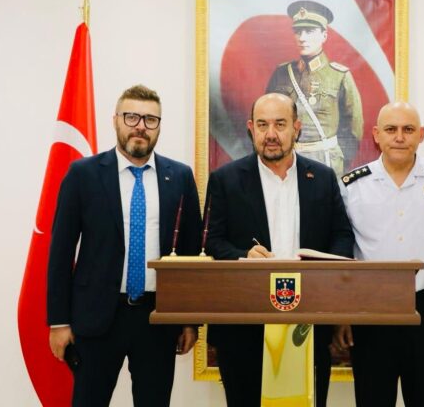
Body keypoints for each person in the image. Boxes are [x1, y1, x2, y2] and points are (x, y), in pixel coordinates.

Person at [47, 85, 202, 406]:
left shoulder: (180, 177)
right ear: (115, 120)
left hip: (157, 318)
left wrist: (190, 320)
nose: (140, 126)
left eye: (150, 119)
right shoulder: (83, 174)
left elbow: (190, 253)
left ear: (159, 126)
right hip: (97, 318)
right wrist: (59, 322)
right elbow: (61, 252)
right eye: (132, 117)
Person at [205, 92, 354, 407]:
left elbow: (342, 236)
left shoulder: (323, 178)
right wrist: (242, 256)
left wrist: (322, 270)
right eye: (262, 125)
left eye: (280, 124)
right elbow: (212, 241)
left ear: (296, 128)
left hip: (309, 322)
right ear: (251, 128)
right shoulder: (225, 180)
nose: (270, 134)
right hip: (244, 327)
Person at [332, 101, 424, 407]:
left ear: (421, 134)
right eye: (391, 129)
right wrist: (342, 314)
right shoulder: (351, 186)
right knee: (372, 399)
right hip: (369, 309)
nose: (399, 137)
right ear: (376, 135)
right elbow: (342, 255)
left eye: (408, 129)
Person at [266, 0, 364, 177]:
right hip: (287, 162)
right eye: (298, 31)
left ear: (324, 35)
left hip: (326, 161)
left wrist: (339, 160)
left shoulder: (339, 76)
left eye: (309, 31)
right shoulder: (282, 73)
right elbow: (265, 118)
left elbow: (353, 128)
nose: (302, 38)